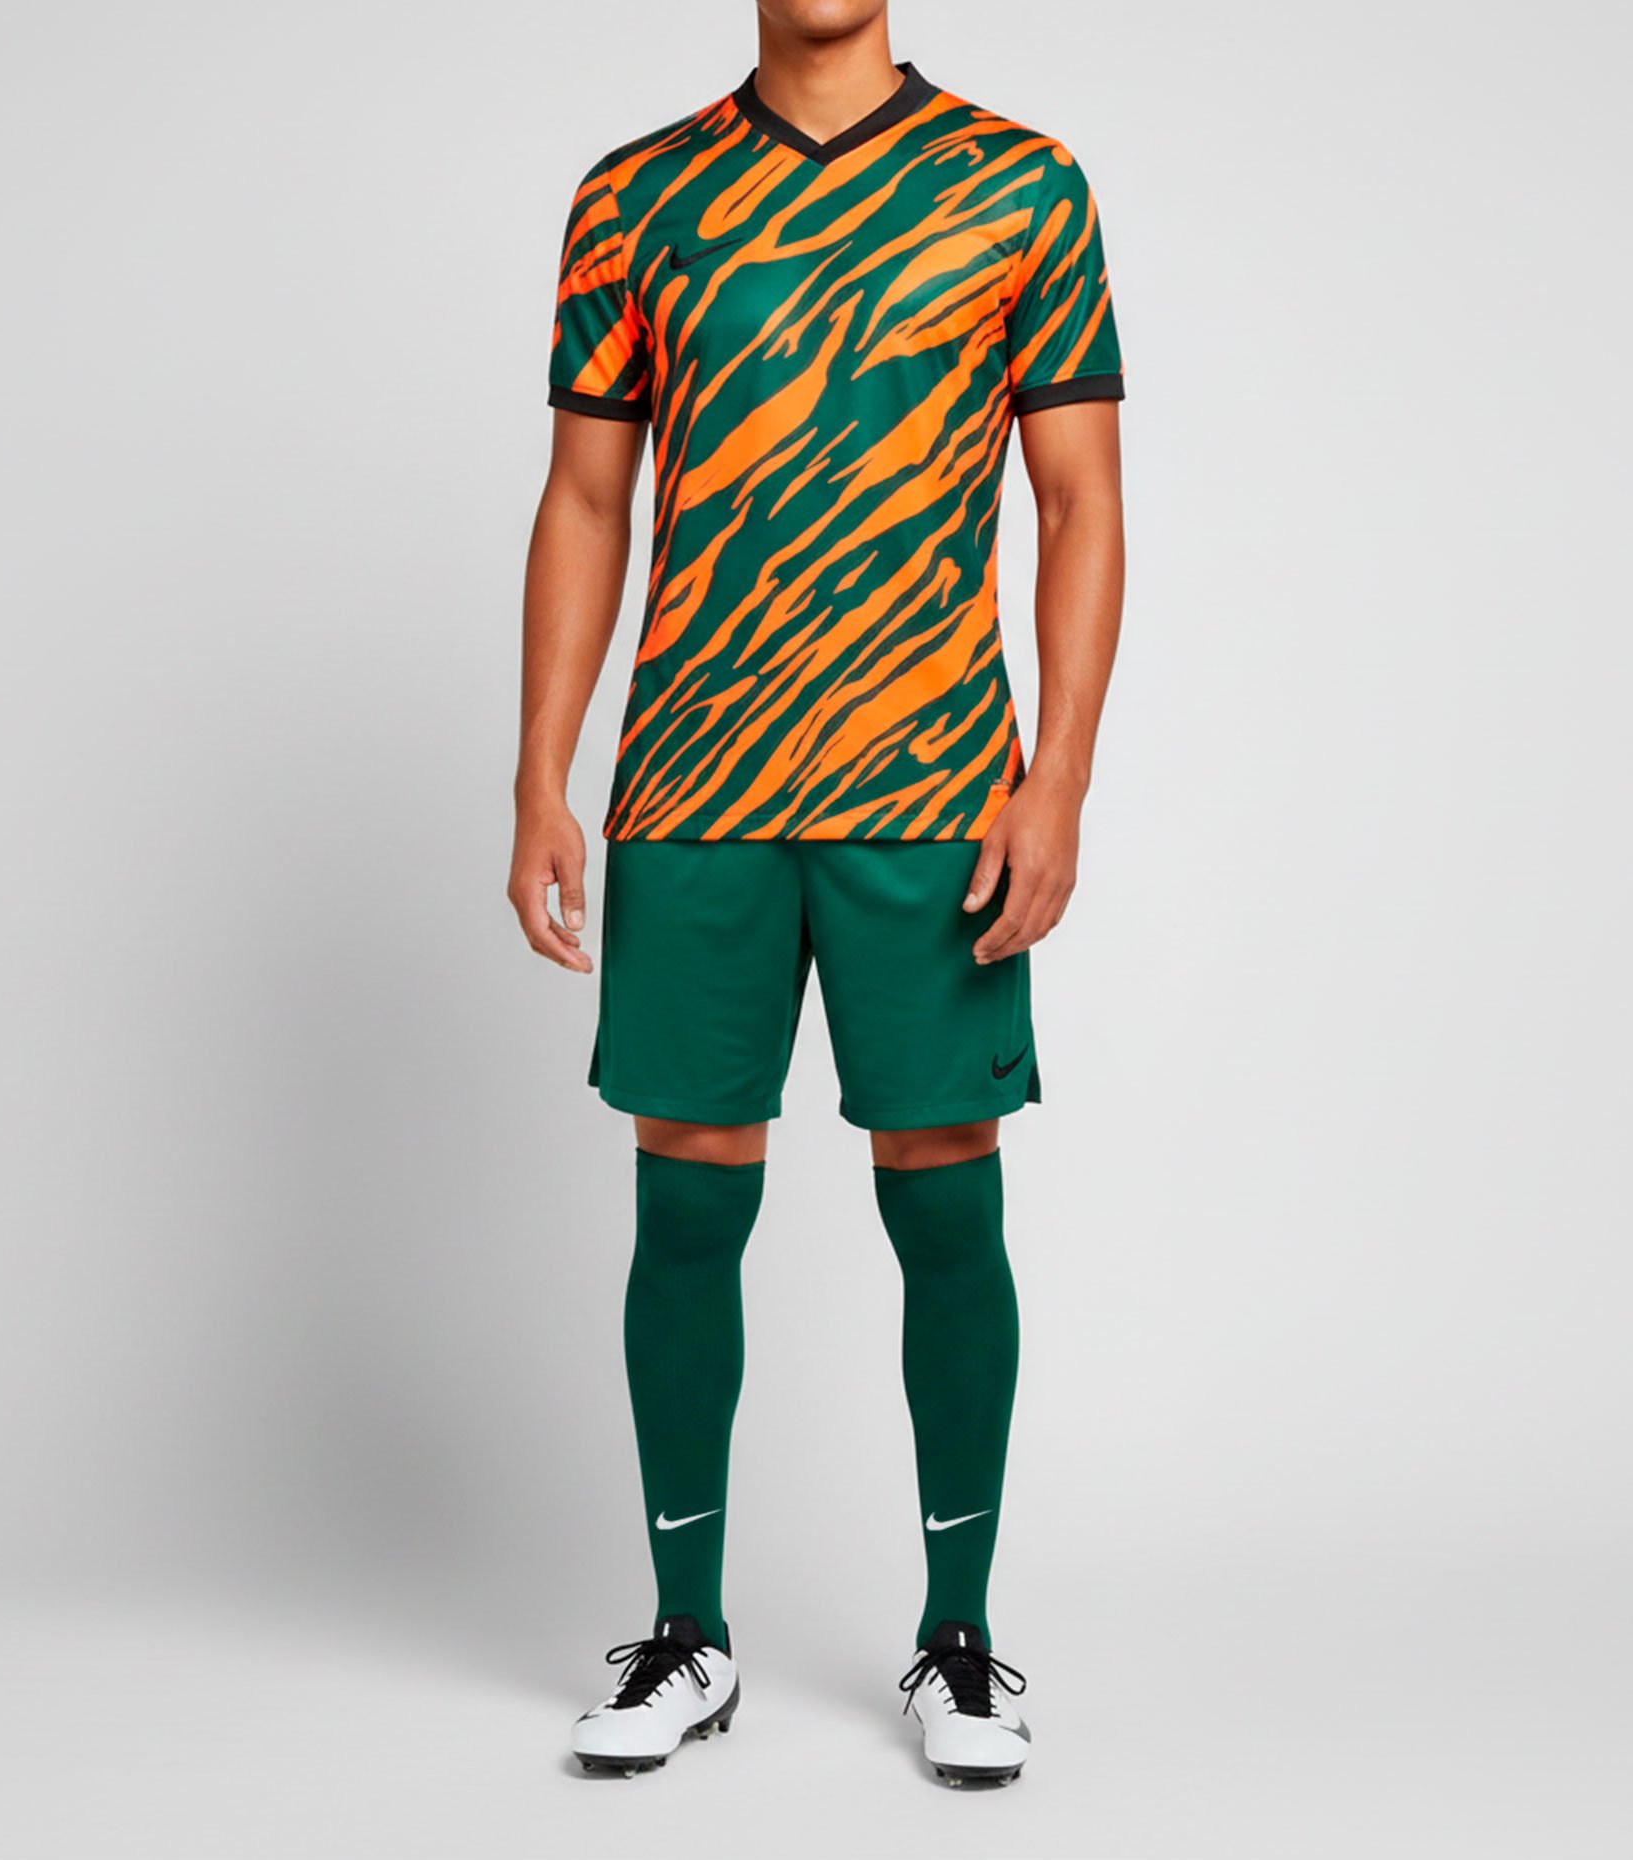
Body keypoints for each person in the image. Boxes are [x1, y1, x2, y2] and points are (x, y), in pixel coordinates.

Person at [509, 0, 1124, 1787]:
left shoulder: (1020, 187)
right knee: (688, 1195)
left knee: (946, 1192)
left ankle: (963, 1643)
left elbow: (1080, 502)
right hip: (694, 784)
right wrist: (540, 773)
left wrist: (1060, 778)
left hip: (932, 790)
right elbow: (584, 499)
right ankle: (686, 1634)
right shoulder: (635, 197)